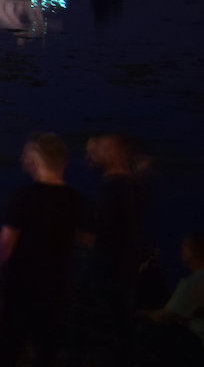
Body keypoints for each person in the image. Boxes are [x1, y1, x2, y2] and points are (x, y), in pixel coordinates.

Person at [0, 132, 88, 367]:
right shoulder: (75, 199)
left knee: (10, 344)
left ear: (36, 159)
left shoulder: (24, 195)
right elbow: (87, 239)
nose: (22, 158)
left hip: (22, 283)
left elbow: (6, 240)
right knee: (46, 348)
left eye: (26, 154)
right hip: (57, 283)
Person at [79, 132, 149, 365]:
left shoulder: (113, 189)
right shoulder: (132, 187)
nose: (90, 155)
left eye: (96, 150)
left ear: (112, 153)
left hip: (108, 273)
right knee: (121, 329)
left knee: (105, 332)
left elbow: (98, 233)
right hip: (125, 269)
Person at [137, 231, 204, 365]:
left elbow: (164, 316)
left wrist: (140, 313)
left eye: (183, 248)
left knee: (144, 330)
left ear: (190, 252)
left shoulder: (194, 282)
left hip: (199, 345)